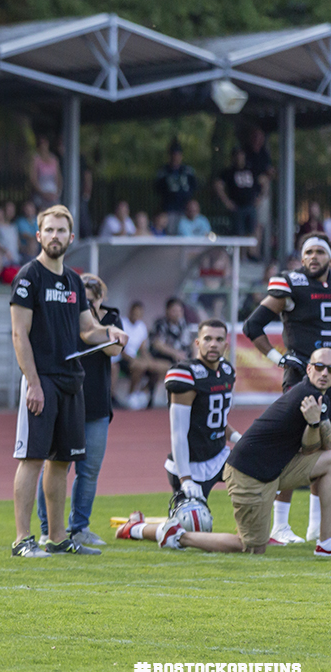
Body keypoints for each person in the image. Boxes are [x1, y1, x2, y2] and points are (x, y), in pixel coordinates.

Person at [9, 205, 129, 557]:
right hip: (42, 379)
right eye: (49, 230)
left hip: (71, 381)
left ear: (71, 237)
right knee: (32, 458)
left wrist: (110, 333)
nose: (55, 236)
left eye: (61, 230)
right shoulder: (29, 276)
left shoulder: (74, 281)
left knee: (62, 461)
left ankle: (58, 538)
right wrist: (33, 382)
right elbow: (19, 334)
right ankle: (22, 540)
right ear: (39, 235)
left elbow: (87, 330)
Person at [151, 348, 331, 557]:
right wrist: (316, 424)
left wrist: (314, 424)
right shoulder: (307, 394)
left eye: (330, 369)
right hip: (249, 474)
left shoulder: (321, 396)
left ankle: (325, 543)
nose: (325, 373)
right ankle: (178, 535)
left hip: (274, 469)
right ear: (309, 369)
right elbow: (313, 447)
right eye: (319, 367)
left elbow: (312, 447)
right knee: (251, 546)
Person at [116, 320, 241, 543]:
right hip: (189, 464)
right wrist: (186, 478)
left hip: (218, 456)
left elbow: (217, 418)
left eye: (219, 339)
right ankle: (135, 528)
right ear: (197, 343)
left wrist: (236, 437)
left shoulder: (227, 371)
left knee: (257, 477)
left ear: (226, 344)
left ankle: (260, 531)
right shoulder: (185, 374)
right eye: (208, 339)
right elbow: (178, 432)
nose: (213, 344)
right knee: (192, 528)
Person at [243, 232, 331, 543]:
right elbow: (252, 325)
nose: (313, 257)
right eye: (309, 252)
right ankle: (280, 525)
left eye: (320, 252)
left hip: (329, 378)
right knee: (295, 446)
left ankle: (316, 526)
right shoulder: (293, 283)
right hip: (302, 379)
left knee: (325, 448)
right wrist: (278, 358)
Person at [35, 273, 124, 547]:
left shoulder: (111, 318)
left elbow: (113, 351)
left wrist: (94, 320)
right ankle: (48, 527)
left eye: (92, 299)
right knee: (55, 466)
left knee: (89, 470)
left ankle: (79, 526)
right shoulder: (64, 317)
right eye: (83, 300)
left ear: (100, 298)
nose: (87, 304)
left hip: (97, 404)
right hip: (67, 399)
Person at [120, 301, 170, 409]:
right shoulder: (122, 323)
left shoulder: (141, 326)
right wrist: (134, 359)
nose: (137, 316)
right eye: (135, 313)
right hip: (123, 358)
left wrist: (150, 361)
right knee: (139, 366)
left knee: (164, 367)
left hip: (137, 358)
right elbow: (121, 349)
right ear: (130, 312)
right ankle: (131, 395)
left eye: (139, 314)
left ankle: (142, 393)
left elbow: (143, 349)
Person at [215, 146, 260, 238]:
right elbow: (218, 185)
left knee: (253, 232)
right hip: (237, 207)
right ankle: (241, 248)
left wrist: (260, 197)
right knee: (239, 234)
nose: (239, 157)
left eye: (241, 155)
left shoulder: (251, 170)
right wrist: (226, 202)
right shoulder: (229, 172)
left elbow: (264, 181)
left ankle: (253, 248)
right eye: (237, 155)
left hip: (251, 206)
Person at [153, 142, 198, 233]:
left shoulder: (188, 171)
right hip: (169, 209)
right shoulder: (163, 172)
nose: (176, 158)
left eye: (178, 155)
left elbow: (194, 187)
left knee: (185, 232)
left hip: (185, 209)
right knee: (171, 232)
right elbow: (158, 189)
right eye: (173, 155)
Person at [150, 298, 191, 366]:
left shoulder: (184, 324)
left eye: (180, 311)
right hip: (164, 358)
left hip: (183, 358)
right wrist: (175, 353)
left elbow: (191, 342)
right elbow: (157, 344)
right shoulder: (160, 324)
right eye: (174, 311)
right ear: (167, 311)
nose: (178, 314)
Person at [29, 135, 61, 209]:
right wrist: (43, 193)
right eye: (41, 143)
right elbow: (33, 178)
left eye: (45, 143)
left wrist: (57, 193)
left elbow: (58, 178)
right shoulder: (35, 159)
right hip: (41, 194)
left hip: (53, 194)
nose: (43, 145)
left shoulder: (54, 159)